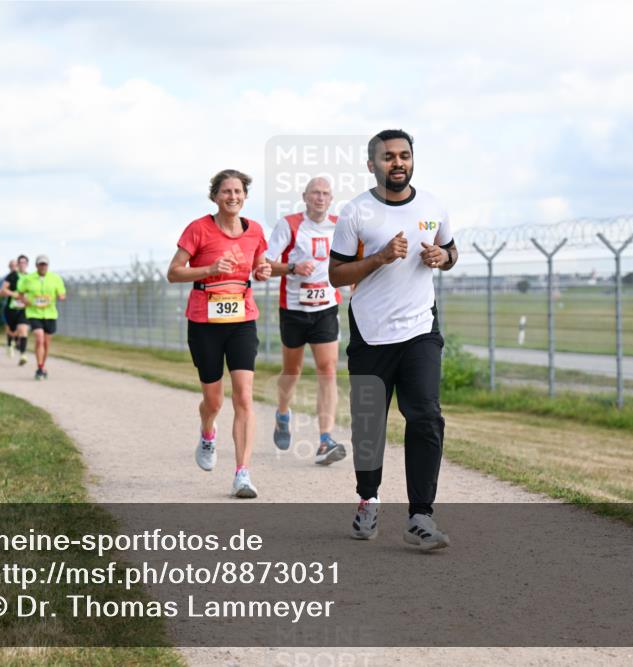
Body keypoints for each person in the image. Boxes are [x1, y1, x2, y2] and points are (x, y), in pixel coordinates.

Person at [329, 129, 457, 550]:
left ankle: (421, 516)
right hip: (370, 334)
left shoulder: (434, 205)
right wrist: (380, 258)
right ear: (372, 165)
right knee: (369, 428)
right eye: (388, 157)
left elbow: (451, 251)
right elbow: (336, 274)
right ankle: (368, 499)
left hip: (420, 330)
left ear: (413, 160)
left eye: (404, 155)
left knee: (424, 416)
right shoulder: (356, 213)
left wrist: (443, 257)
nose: (397, 162)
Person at [167, 169, 271, 499]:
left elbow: (260, 264)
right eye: (225, 191)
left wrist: (263, 270)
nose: (232, 196)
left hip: (242, 319)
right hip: (204, 323)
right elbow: (173, 273)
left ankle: (242, 473)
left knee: (243, 395)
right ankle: (208, 433)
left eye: (238, 191)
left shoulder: (254, 230)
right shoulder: (198, 229)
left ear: (245, 195)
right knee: (214, 400)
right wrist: (209, 269)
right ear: (215, 196)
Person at [265, 176, 347, 465]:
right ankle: (283, 413)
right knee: (293, 370)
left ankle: (325, 440)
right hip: (294, 309)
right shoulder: (288, 225)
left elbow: (353, 260)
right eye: (315, 193)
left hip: (326, 307)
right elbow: (264, 265)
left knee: (328, 370)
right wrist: (292, 267)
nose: (320, 198)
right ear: (305, 196)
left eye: (326, 193)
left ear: (331, 198)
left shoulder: (340, 224)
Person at [16, 255, 66, 380]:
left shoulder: (55, 278)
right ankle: (39, 368)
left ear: (48, 266)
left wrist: (61, 296)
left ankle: (42, 366)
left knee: (46, 343)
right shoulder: (28, 279)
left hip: (50, 314)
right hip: (34, 313)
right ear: (36, 265)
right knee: (39, 337)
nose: (43, 266)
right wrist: (25, 300)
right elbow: (20, 293)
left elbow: (62, 293)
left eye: (45, 264)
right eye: (41, 264)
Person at [0, 256, 30, 362]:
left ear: (27, 264)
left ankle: (23, 354)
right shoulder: (12, 275)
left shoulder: (30, 277)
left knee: (23, 329)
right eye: (20, 262)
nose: (22, 264)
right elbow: (3, 289)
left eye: (24, 262)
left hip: (23, 308)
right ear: (18, 264)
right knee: (11, 331)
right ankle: (9, 344)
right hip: (11, 308)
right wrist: (14, 294)